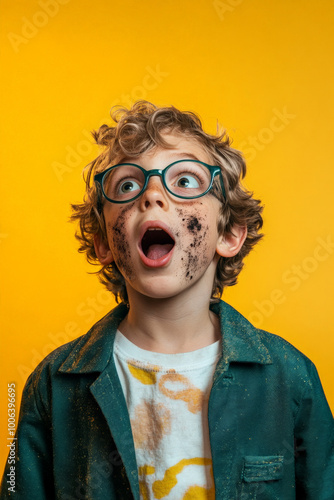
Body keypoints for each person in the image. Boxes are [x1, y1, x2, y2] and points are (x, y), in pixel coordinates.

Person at [1, 101, 333, 500]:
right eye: (127, 185)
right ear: (105, 242)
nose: (152, 195)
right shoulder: (53, 385)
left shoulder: (290, 378)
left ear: (228, 235)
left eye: (186, 181)